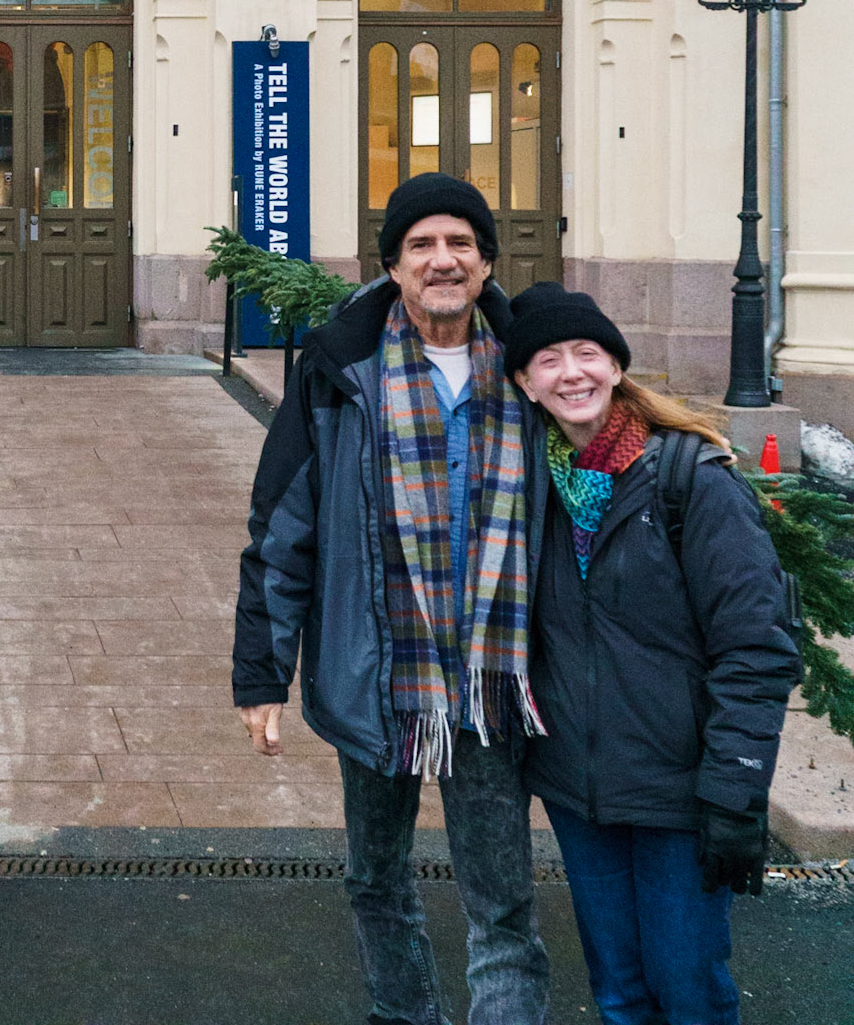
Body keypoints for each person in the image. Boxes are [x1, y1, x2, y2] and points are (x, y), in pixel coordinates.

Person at [233, 172, 549, 1025]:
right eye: (421, 245)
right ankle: (404, 1013)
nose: (441, 261)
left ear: (485, 263)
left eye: (459, 244)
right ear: (393, 266)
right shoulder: (341, 372)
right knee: (376, 878)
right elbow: (281, 528)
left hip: (491, 681)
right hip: (376, 672)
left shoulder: (535, 373)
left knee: (503, 899)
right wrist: (261, 672)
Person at [503, 281, 802, 1025]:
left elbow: (755, 644)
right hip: (579, 789)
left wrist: (734, 785)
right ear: (523, 382)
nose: (569, 372)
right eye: (547, 359)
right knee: (619, 994)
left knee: (688, 992)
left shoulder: (687, 479)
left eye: (586, 353)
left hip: (679, 788)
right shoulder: (526, 487)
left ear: (614, 365)